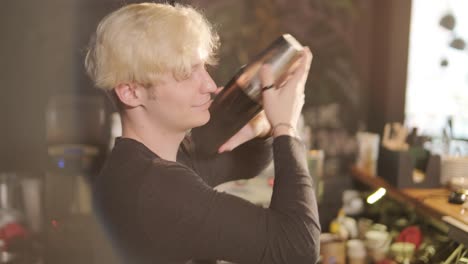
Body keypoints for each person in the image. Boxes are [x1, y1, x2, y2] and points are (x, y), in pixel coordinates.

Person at [85, 2, 320, 264]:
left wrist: (264, 127)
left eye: (203, 67)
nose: (209, 85)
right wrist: (285, 128)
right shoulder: (157, 188)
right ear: (130, 92)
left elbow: (243, 162)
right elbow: (299, 249)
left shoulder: (138, 165)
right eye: (186, 73)